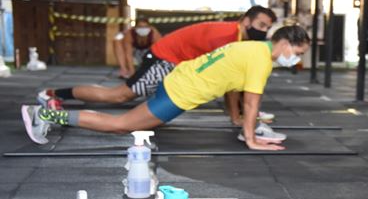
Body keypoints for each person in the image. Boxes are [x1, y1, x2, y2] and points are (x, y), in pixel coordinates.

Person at [21, 26, 310, 151]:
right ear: (284, 43)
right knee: (121, 125)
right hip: (179, 93)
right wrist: (250, 138)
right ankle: (45, 115)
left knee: (124, 123)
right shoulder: (261, 60)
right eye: (297, 50)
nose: (297, 58)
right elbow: (251, 103)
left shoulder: (254, 48)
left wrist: (245, 127)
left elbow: (234, 89)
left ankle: (48, 113)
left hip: (177, 80)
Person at [38, 6, 278, 126]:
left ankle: (53, 100)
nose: (263, 30)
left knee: (126, 105)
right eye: (261, 24)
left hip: (176, 63)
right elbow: (228, 83)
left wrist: (237, 115)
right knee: (119, 96)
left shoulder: (238, 36)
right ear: (245, 20)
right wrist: (237, 117)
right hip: (166, 59)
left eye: (268, 27)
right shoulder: (226, 37)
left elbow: (228, 82)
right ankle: (51, 95)